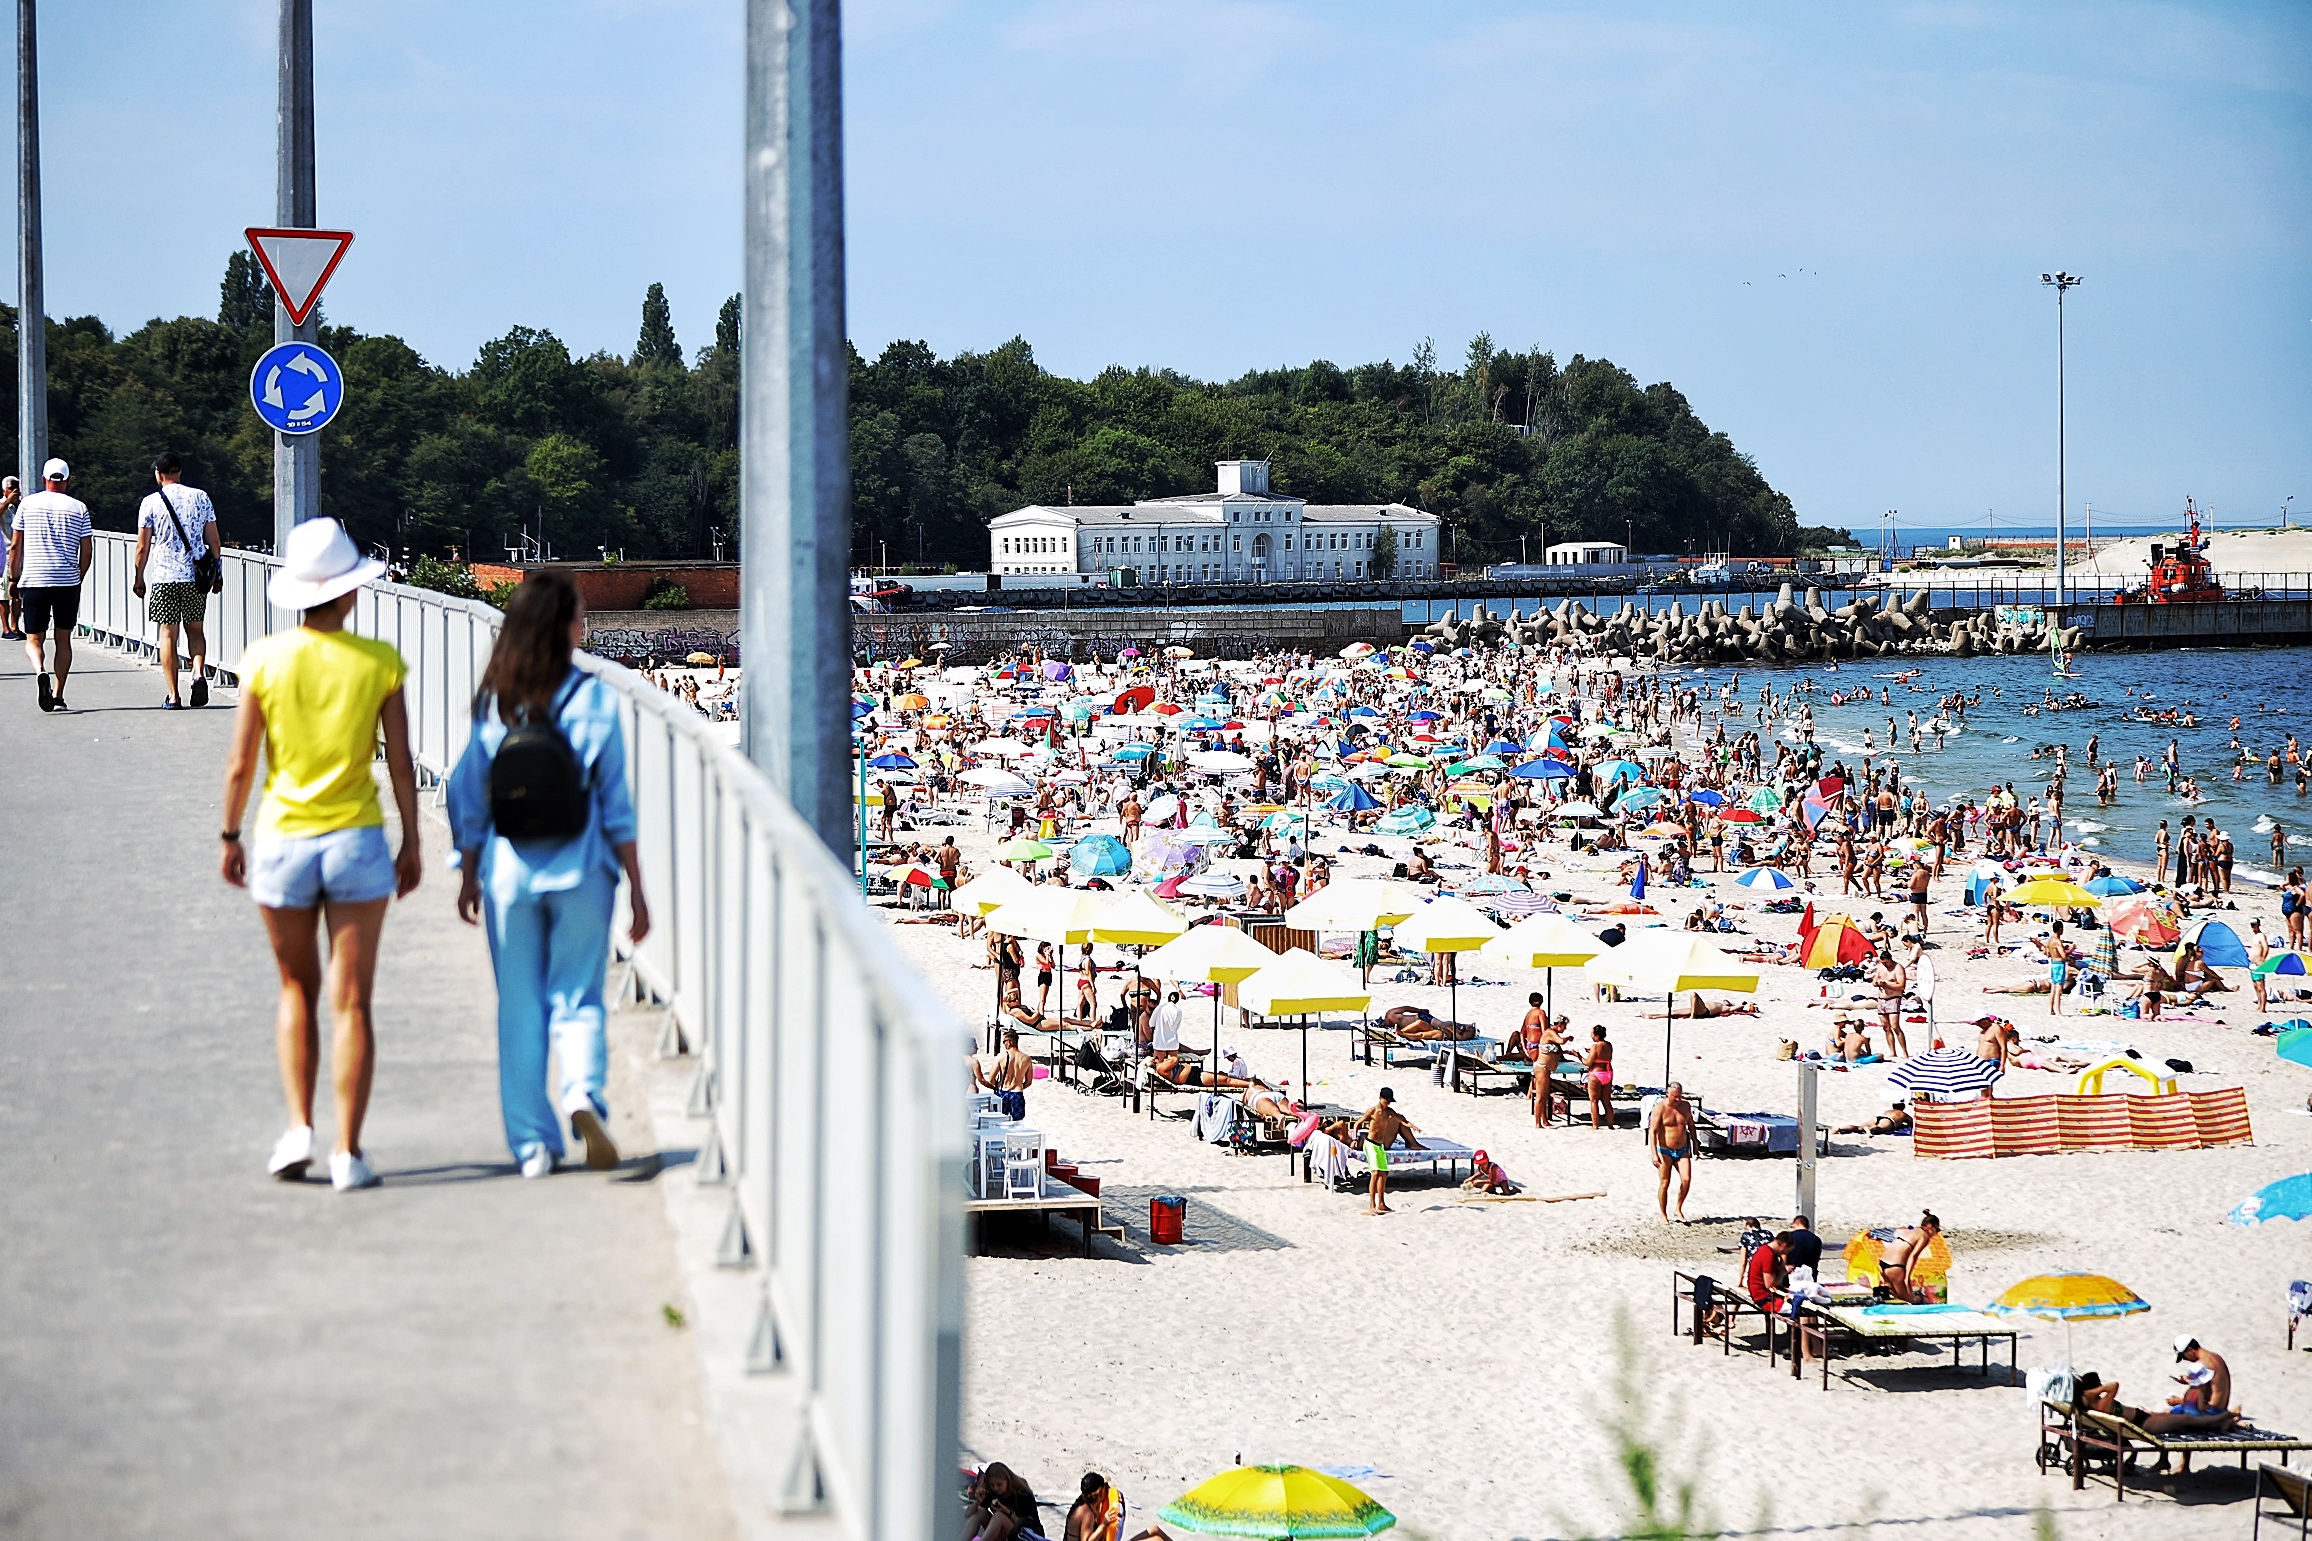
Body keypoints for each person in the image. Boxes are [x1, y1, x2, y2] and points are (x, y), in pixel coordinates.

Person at [219, 519, 421, 1191]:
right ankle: (348, 1153)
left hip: (281, 838)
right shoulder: (380, 662)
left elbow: (242, 763)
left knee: (296, 991)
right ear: (350, 593)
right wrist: (412, 840)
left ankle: (300, 1127)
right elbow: (400, 766)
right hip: (357, 839)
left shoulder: (264, 659)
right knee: (352, 1003)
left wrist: (229, 835)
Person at [446, 571, 651, 1176]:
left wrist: (468, 867)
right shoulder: (593, 698)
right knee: (578, 996)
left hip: (509, 872)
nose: (584, 627)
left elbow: (469, 794)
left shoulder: (496, 700)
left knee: (519, 1004)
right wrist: (638, 888)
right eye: (579, 617)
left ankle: (533, 1144)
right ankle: (583, 1093)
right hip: (582, 868)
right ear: (560, 628)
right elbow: (616, 805)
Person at [131, 452, 222, 708]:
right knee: (196, 630)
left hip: (164, 577)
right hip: (195, 577)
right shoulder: (201, 497)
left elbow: (142, 546)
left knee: (168, 634)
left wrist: (139, 577)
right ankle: (198, 673)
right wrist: (218, 572)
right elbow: (214, 540)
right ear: (179, 471)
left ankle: (173, 696)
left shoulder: (150, 503)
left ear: (159, 474)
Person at [7, 457, 92, 713]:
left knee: (34, 638)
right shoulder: (79, 508)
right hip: (67, 581)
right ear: (67, 480)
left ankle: (40, 671)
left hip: (35, 579)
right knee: (63, 639)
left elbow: (15, 547)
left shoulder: (27, 505)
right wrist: (79, 575)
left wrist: (13, 579)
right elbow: (86, 550)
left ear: (44, 479)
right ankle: (58, 693)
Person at [2141, 1338, 2236, 1436]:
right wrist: (2189, 1381)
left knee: (2172, 1418)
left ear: (2190, 1350)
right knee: (2170, 1412)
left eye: (2184, 1357)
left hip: (2211, 1412)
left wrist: (2178, 1401)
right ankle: (2150, 1415)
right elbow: (2211, 1387)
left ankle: (2222, 1422)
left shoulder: (2203, 1364)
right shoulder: (2215, 1357)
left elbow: (2203, 1400)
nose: (2185, 1360)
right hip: (2220, 1408)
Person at [1351, 1087, 1423, 1216]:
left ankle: (1382, 1204)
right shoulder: (1372, 1111)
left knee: (1384, 1173)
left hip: (1380, 1146)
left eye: (1389, 1101)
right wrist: (1355, 1139)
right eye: (1386, 1101)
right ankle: (1372, 1205)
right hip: (1370, 1144)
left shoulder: (1389, 1112)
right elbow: (1357, 1124)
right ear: (1380, 1098)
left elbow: (1402, 1120)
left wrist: (1412, 1125)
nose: (1388, 1103)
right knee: (1375, 1173)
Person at [1648, 1082, 1696, 1223]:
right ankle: (1663, 1214)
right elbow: (1653, 1132)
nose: (1678, 1099)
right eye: (1675, 1096)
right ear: (1667, 1094)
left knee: (1686, 1180)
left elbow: (1691, 1126)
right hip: (1664, 1150)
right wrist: (1654, 1153)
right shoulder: (1660, 1108)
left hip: (1683, 1150)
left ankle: (1678, 1208)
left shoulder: (1685, 1106)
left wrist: (1695, 1143)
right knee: (1665, 1182)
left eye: (1680, 1096)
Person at [962, 1462, 1040, 1541]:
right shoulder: (993, 1492)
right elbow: (967, 1514)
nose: (995, 1488)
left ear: (1008, 1480)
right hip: (1007, 1534)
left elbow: (1028, 1527)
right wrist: (978, 1502)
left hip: (1027, 1536)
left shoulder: (1022, 1494)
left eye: (999, 1484)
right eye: (992, 1485)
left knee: (999, 1516)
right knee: (980, 1512)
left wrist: (1007, 1512)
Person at [1879, 1211, 1942, 1303]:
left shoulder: (1912, 1231)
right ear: (1930, 1227)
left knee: (1895, 1299)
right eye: (1937, 1230)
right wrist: (1907, 1277)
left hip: (1883, 1263)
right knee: (1908, 1300)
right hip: (1895, 1267)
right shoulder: (1924, 1236)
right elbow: (1913, 1256)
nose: (1936, 1234)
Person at [977, 1029, 1034, 1120]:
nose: (1004, 1044)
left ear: (1009, 1042)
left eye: (1004, 1042)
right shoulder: (1026, 1059)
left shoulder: (1001, 1056)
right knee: (1017, 1122)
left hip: (1002, 1091)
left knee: (998, 1121)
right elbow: (1028, 1082)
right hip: (1017, 1093)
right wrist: (1018, 1085)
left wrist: (997, 1085)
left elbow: (991, 1079)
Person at [1871, 946, 1910, 1058]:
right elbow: (1874, 980)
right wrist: (1877, 983)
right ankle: (1893, 1051)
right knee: (1885, 1027)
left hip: (1893, 998)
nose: (1885, 965)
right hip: (1882, 999)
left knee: (1895, 1026)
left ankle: (1905, 1052)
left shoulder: (1898, 968)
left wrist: (1887, 984)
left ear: (1890, 959)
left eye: (1886, 963)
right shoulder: (1880, 967)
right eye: (1883, 963)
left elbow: (1901, 986)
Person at [1062, 1472, 1123, 1541]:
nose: (1107, 1491)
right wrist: (1104, 1524)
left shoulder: (1087, 1502)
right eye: (1105, 1488)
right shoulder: (1086, 1512)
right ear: (1100, 1492)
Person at [1584, 1024, 1614, 1129]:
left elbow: (1588, 1063)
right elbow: (1603, 1056)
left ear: (1597, 1035)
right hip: (1608, 1073)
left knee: (1594, 1101)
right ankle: (1611, 1125)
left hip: (1596, 1074)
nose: (1591, 1036)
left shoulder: (1595, 1046)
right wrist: (1591, 1052)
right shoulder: (1609, 1045)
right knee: (1606, 1101)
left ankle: (1595, 1125)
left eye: (1592, 1034)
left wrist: (1577, 1055)